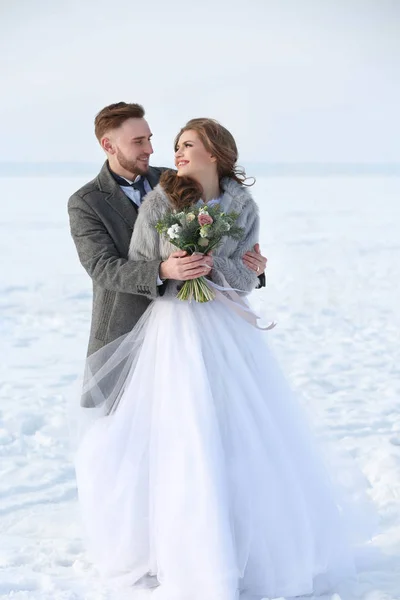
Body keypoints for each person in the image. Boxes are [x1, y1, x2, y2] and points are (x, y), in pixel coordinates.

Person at [73, 118, 375, 600]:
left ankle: (252, 548)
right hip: (173, 328)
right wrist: (170, 268)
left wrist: (242, 269)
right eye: (167, 144)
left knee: (242, 433)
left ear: (214, 152)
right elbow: (131, 261)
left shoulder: (243, 204)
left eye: (184, 144)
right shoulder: (157, 200)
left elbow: (245, 271)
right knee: (184, 434)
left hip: (228, 329)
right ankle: (185, 551)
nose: (171, 151)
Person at [68, 103, 267, 363]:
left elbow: (225, 231)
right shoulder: (86, 202)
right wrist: (163, 271)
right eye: (138, 142)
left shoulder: (177, 177)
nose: (150, 149)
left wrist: (255, 269)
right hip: (126, 327)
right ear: (109, 146)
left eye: (149, 139)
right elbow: (102, 267)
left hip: (202, 322)